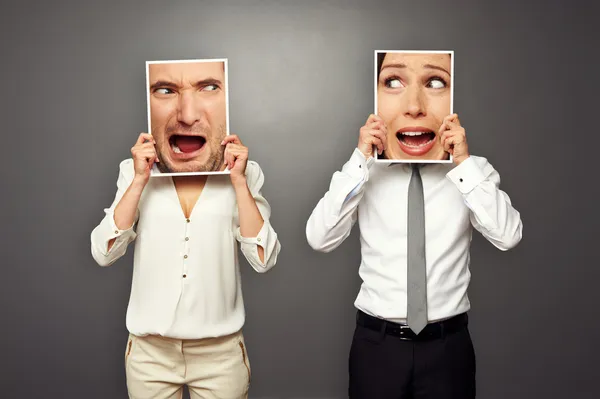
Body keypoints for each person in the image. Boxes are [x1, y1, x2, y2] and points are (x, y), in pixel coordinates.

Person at [90, 59, 281, 399]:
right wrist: (138, 180)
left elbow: (263, 260)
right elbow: (104, 252)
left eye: (209, 88)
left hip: (220, 355)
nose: (187, 114)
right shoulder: (133, 172)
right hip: (150, 355)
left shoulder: (245, 174)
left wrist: (239, 182)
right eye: (166, 91)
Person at [306, 108, 523, 398]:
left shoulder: (472, 171)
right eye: (395, 85)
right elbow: (319, 237)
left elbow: (508, 235)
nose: (415, 107)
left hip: (448, 350)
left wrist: (463, 165)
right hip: (377, 348)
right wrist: (359, 160)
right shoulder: (365, 171)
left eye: (433, 85)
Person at [376, 51, 452, 161]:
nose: (414, 108)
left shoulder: (478, 171)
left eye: (435, 83)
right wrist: (361, 163)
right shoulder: (354, 172)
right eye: (393, 83)